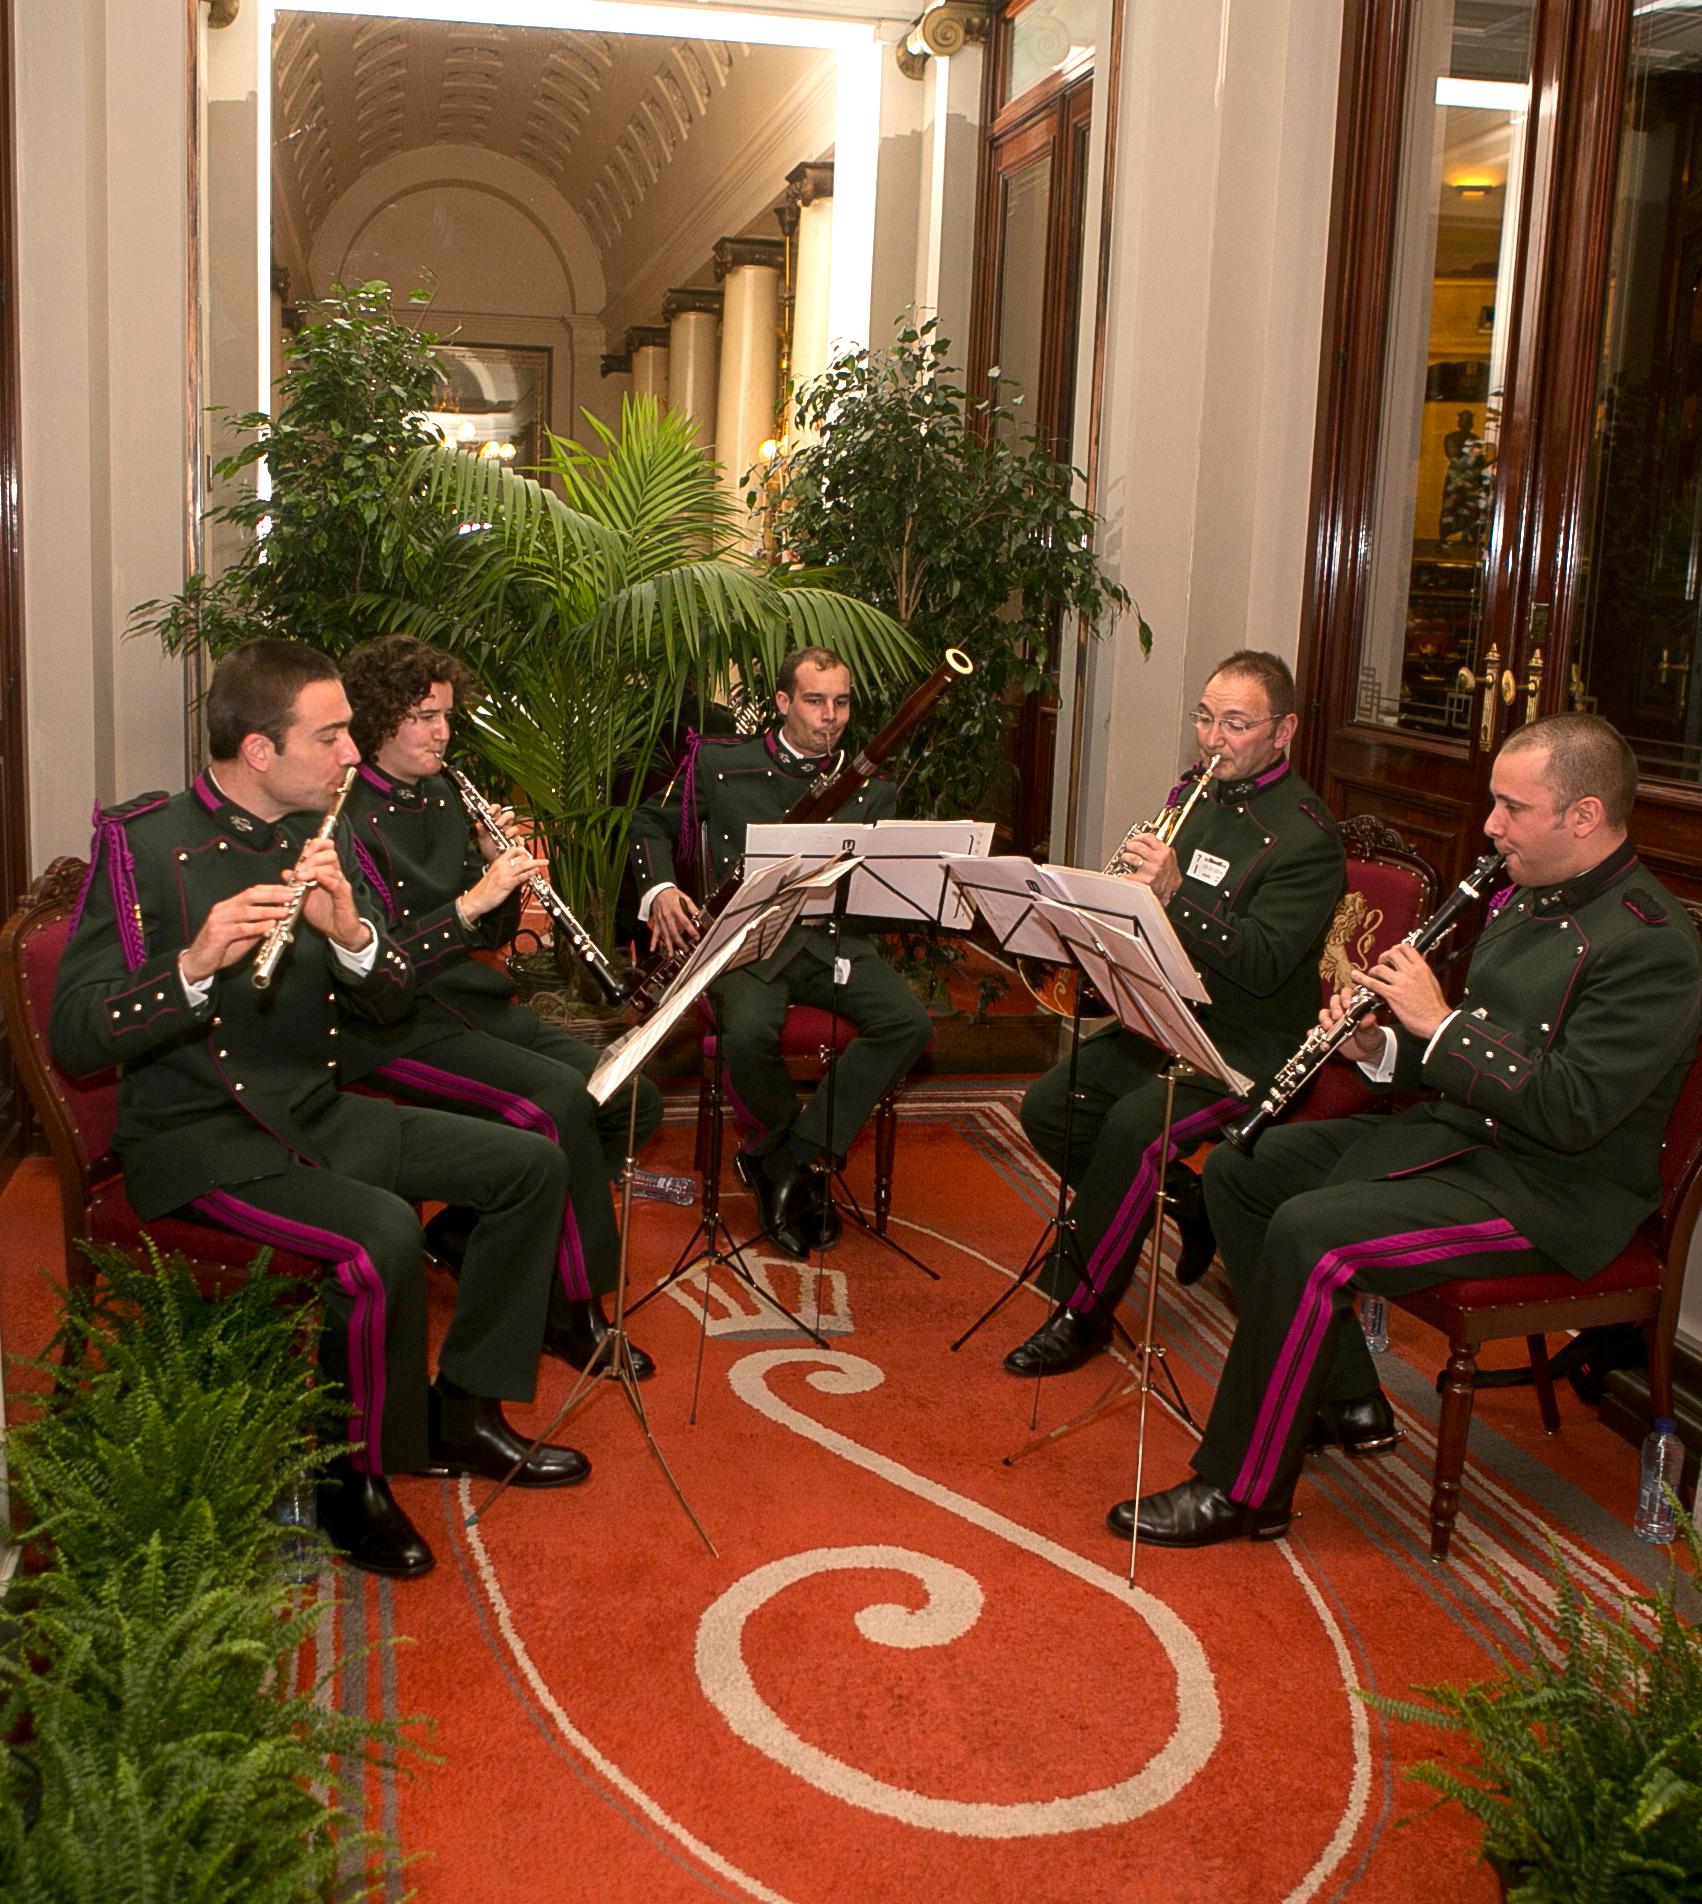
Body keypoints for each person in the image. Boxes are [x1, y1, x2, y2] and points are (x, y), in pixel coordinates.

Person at [50, 640, 590, 1582]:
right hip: (201, 1139)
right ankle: (354, 1480)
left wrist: (348, 938)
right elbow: (76, 1036)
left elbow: (386, 998)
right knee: (379, 1235)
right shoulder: (143, 844)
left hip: (313, 1112)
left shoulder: (325, 832)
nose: (353, 754)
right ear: (259, 749)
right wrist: (188, 968)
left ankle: (461, 1414)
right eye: (331, 734)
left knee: (528, 1166)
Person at [1120, 713, 1702, 1548]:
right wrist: (1384, 1043)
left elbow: (1574, 1110)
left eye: (1512, 808)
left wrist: (1440, 1023)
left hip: (1553, 1190)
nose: (1493, 825)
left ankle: (1242, 1489)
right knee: (1245, 1173)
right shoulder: (1528, 895)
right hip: (1467, 1139)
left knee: (1312, 1232)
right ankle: (1342, 1395)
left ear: (1585, 816)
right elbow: (1458, 1051)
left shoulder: (1652, 945)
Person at [1007, 650, 1346, 1376]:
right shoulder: (1194, 796)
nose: (1212, 739)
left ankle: (1084, 1311)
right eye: (1204, 718)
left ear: (1282, 731)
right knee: (1049, 1108)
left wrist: (1174, 890)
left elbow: (1259, 963)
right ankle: (1187, 1198)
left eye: (1235, 724)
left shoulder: (1307, 837)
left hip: (1248, 1045)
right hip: (1167, 1016)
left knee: (1134, 1128)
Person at [338, 634, 663, 1380]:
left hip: (469, 999)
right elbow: (378, 962)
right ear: (379, 718)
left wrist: (499, 874)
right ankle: (574, 1311)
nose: (441, 732)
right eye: (423, 717)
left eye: (446, 716)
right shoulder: (350, 816)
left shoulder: (446, 791)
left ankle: (470, 1229)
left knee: (625, 1089)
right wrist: (472, 899)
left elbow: (487, 934)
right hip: (396, 1022)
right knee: (558, 1103)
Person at [629, 646, 933, 1258]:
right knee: (745, 1036)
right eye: (815, 701)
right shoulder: (720, 764)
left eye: (841, 702)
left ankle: (794, 1159)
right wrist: (660, 888)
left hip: (830, 941)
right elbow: (647, 822)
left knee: (910, 1025)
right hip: (745, 943)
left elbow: (873, 891)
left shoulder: (871, 787)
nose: (831, 717)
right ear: (782, 703)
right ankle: (773, 1147)